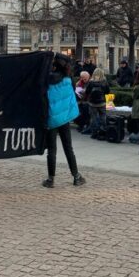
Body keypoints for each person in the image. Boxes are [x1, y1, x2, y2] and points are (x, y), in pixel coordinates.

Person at [43, 53, 85, 187]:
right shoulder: (68, 80)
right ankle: (76, 177)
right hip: (64, 119)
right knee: (68, 148)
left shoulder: (46, 80)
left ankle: (51, 180)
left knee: (51, 151)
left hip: (51, 119)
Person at [85, 68, 110, 138]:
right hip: (102, 103)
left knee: (93, 118)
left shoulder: (91, 82)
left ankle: (94, 133)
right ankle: (103, 132)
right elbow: (108, 92)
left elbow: (87, 92)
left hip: (92, 103)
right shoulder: (104, 81)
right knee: (103, 118)